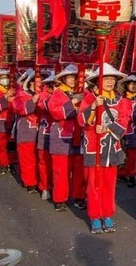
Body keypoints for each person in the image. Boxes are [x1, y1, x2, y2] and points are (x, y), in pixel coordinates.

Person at [77, 63, 131, 233]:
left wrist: (107, 128)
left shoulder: (121, 101)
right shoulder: (88, 98)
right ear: (97, 82)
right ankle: (94, 216)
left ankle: (107, 214)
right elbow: (81, 121)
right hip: (94, 148)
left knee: (109, 184)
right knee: (94, 185)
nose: (109, 82)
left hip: (111, 148)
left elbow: (124, 121)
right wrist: (93, 107)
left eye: (112, 79)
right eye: (105, 79)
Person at [47, 64, 87, 212]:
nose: (73, 80)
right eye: (70, 77)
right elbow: (55, 112)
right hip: (61, 136)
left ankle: (79, 196)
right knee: (61, 170)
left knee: (80, 170)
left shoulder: (85, 93)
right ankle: (60, 198)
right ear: (63, 79)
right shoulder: (57, 94)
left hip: (81, 135)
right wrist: (73, 103)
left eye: (76, 77)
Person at [12, 70, 41, 194]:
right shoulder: (21, 94)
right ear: (30, 83)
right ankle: (30, 182)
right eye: (37, 82)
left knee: (40, 159)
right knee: (27, 158)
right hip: (26, 131)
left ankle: (41, 182)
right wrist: (32, 102)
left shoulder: (45, 95)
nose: (40, 85)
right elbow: (18, 109)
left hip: (41, 132)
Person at [120, 74, 136, 188]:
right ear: (126, 85)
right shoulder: (123, 99)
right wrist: (135, 111)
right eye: (130, 84)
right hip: (129, 129)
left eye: (135, 84)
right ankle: (130, 175)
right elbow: (122, 115)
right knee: (131, 154)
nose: (132, 86)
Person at [36, 72, 56, 200]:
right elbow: (47, 107)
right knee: (44, 161)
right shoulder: (43, 96)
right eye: (53, 85)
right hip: (46, 132)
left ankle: (56, 187)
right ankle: (45, 187)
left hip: (63, 134)